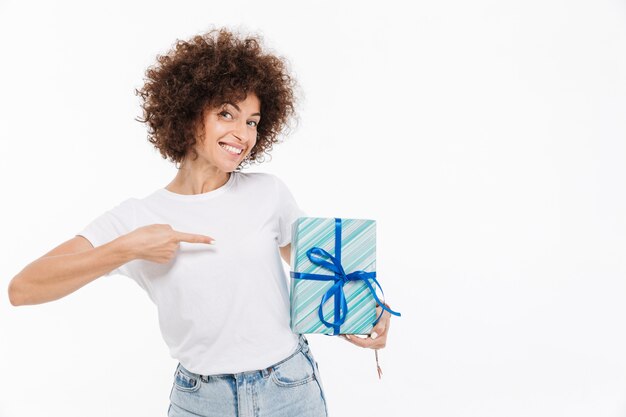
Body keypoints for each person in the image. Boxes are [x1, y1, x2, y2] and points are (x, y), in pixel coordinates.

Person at [7, 27, 392, 417]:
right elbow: (23, 288)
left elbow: (321, 272)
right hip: (201, 402)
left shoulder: (268, 193)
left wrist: (361, 310)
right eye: (227, 113)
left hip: (289, 388)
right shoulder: (138, 218)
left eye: (252, 122)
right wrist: (128, 248)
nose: (242, 134)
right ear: (190, 115)